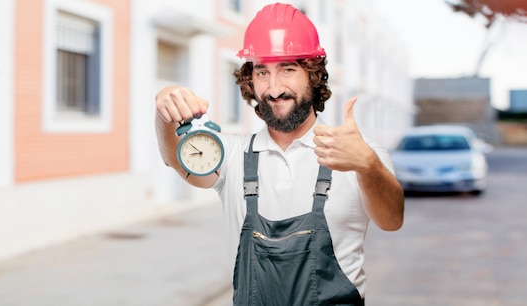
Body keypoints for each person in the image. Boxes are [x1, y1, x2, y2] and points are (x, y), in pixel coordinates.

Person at [155, 2, 404, 305]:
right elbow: (174, 158)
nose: (273, 89)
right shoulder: (232, 154)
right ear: (250, 80)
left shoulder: (359, 152)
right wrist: (165, 111)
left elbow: (392, 220)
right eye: (262, 72)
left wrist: (367, 165)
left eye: (288, 69)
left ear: (313, 75)